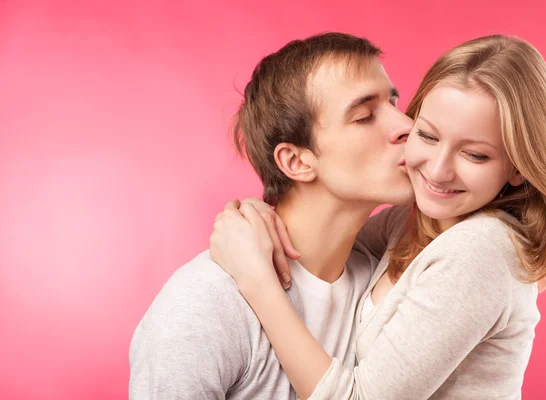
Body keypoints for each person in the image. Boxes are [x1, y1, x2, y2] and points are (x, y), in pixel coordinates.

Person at [209, 35, 546, 399]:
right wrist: (254, 217)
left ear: (519, 167)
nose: (437, 170)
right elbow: (320, 245)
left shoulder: (481, 249)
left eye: (475, 156)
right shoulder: (404, 222)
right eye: (429, 136)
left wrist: (257, 280)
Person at [128, 32, 416, 399]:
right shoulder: (206, 302)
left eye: (394, 103)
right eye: (364, 116)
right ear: (296, 161)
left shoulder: (379, 283)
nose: (406, 125)